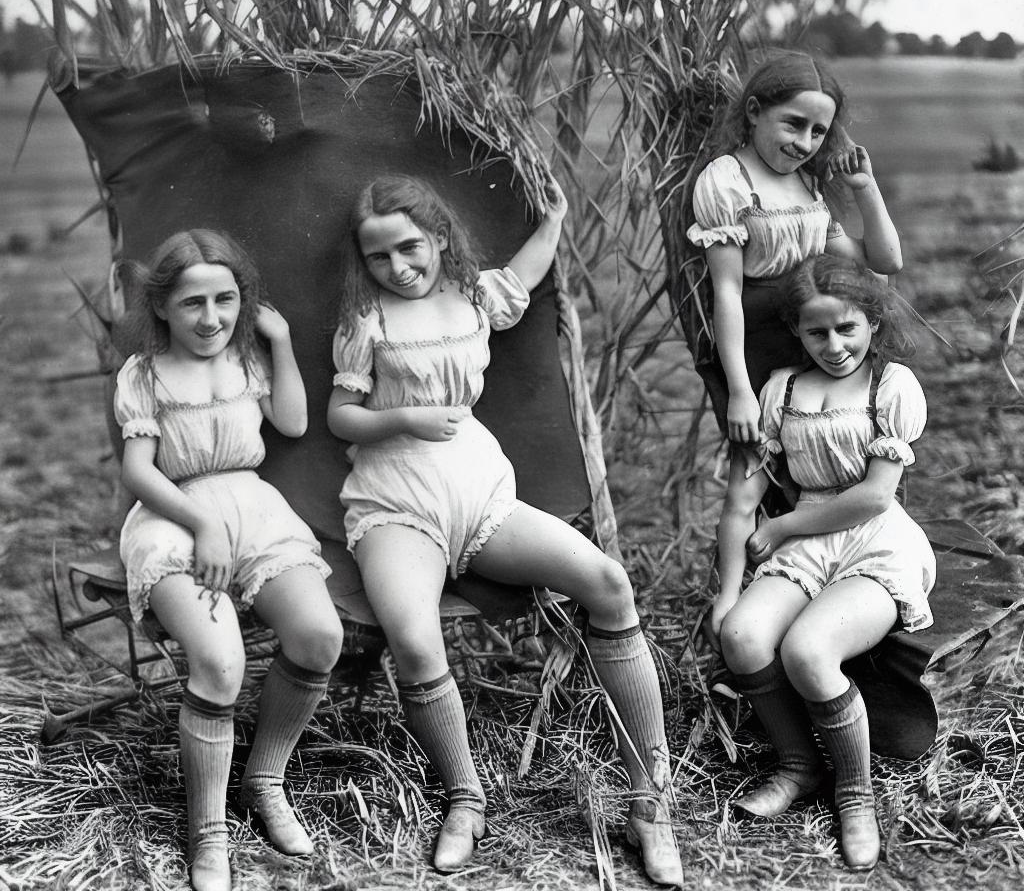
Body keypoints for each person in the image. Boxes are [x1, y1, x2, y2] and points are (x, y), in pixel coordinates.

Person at [326, 174, 683, 886]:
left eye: (410, 248)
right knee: (415, 637)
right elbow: (342, 416)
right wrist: (405, 419)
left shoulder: (472, 297)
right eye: (379, 257)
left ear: (438, 239)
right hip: (397, 504)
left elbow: (523, 276)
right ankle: (465, 798)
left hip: (480, 491)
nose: (398, 268)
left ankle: (650, 801)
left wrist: (552, 216)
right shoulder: (366, 321)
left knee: (609, 585)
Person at [113, 230, 344, 891]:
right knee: (221, 664)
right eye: (192, 303)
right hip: (173, 516)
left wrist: (279, 344)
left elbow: (294, 424)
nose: (211, 318)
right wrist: (199, 522)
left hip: (255, 508)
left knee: (318, 636)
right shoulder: (145, 374)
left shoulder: (247, 356)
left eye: (225, 298)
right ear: (161, 307)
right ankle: (208, 832)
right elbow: (138, 469)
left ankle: (264, 780)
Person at [718, 253, 935, 870]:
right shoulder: (782, 389)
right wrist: (726, 591)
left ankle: (855, 792)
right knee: (742, 634)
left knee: (809, 650)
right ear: (797, 331)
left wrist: (784, 524)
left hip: (874, 538)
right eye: (817, 332)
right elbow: (742, 500)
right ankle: (799, 764)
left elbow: (872, 496)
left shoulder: (889, 384)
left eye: (848, 329)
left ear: (871, 323)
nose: (834, 345)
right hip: (809, 544)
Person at [685, 49, 905, 651]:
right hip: (753, 343)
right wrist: (737, 389)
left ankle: (843, 584)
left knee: (839, 460)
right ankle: (732, 598)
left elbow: (885, 263)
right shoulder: (726, 181)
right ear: (754, 112)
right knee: (750, 473)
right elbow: (726, 292)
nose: (805, 141)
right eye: (792, 124)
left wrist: (864, 188)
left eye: (818, 130)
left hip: (814, 333)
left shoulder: (810, 182)